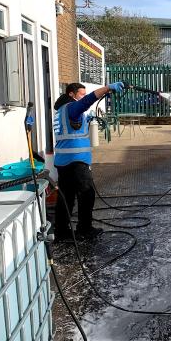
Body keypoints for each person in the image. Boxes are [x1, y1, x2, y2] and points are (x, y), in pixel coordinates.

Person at [53, 81, 124, 242]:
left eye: (84, 94)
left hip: (63, 161)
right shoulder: (71, 108)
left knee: (66, 197)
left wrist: (87, 118)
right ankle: (85, 229)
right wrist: (107, 88)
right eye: (81, 94)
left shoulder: (60, 111)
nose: (83, 97)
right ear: (71, 94)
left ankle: (61, 232)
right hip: (76, 161)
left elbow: (72, 128)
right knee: (86, 194)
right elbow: (86, 102)